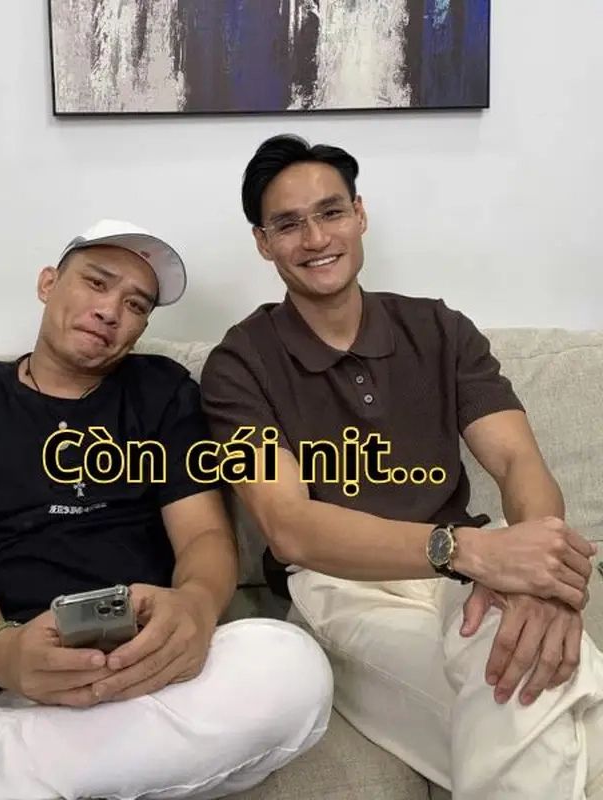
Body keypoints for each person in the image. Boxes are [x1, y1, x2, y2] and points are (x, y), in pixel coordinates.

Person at [0, 219, 333, 800]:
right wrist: (3, 653)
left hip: (138, 660)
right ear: (48, 283)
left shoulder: (164, 393)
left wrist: (198, 607)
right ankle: (90, 765)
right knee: (202, 743)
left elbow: (203, 535)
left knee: (293, 667)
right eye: (97, 283)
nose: (111, 311)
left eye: (136, 305)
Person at [199, 135, 603, 800]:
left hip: (467, 573)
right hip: (343, 584)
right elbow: (289, 526)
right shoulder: (238, 366)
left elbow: (517, 460)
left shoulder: (440, 330)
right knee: (532, 695)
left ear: (360, 214)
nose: (315, 238)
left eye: (331, 212)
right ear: (263, 243)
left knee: (523, 674)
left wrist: (542, 580)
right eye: (288, 224)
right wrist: (465, 550)